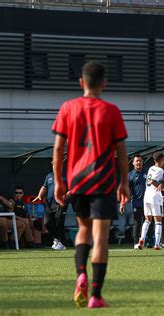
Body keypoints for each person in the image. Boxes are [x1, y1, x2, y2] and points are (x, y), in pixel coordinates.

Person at [52, 61, 129, 308]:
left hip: (77, 181)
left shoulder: (67, 108)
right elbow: (121, 151)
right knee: (101, 237)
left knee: (83, 230)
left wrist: (58, 181)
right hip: (104, 182)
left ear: (81, 82)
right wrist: (124, 182)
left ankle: (81, 274)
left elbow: (58, 149)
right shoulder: (111, 111)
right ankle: (95, 295)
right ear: (104, 83)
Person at [33, 162, 68, 250]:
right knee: (47, 223)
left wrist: (65, 196)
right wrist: (39, 195)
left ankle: (61, 243)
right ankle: (57, 240)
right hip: (49, 203)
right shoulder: (49, 176)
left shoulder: (66, 176)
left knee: (59, 222)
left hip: (61, 203)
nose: (55, 167)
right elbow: (44, 187)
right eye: (53, 165)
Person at [136, 152, 164, 250]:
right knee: (158, 221)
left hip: (147, 196)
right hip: (155, 197)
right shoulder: (160, 170)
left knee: (147, 220)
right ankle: (157, 244)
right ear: (162, 160)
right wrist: (162, 187)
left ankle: (141, 240)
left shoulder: (150, 168)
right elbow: (153, 181)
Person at [123, 154, 147, 249]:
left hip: (148, 202)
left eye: (140, 161)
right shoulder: (130, 175)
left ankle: (148, 241)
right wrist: (124, 201)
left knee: (148, 221)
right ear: (133, 163)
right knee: (137, 222)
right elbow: (127, 190)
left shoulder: (147, 172)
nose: (138, 162)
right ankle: (136, 242)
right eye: (136, 161)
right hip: (136, 203)